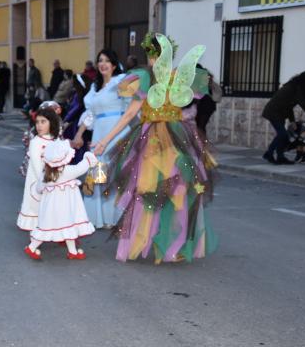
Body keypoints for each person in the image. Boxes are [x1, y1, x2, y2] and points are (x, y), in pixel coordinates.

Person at [93, 32, 218, 264]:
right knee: (178, 193)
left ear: (150, 54)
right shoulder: (178, 77)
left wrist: (105, 140)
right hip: (179, 138)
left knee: (146, 193)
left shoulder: (146, 77)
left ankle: (141, 245)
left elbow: (130, 113)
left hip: (153, 139)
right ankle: (173, 247)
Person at [72, 49, 129, 229]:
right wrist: (79, 134)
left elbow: (131, 110)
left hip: (118, 131)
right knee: (97, 173)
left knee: (115, 173)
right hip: (98, 133)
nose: (103, 64)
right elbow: (90, 114)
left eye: (106, 61)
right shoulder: (94, 88)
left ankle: (115, 217)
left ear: (113, 65)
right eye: (100, 61)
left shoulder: (121, 82)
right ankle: (97, 216)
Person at [25, 139, 98, 260]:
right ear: (65, 157)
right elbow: (83, 166)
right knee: (67, 227)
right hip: (66, 210)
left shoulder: (46, 175)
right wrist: (90, 154)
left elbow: (38, 189)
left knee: (50, 228)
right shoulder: (68, 171)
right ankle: (31, 247)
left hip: (50, 211)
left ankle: (72, 252)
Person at [17, 107, 61, 231]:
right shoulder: (36, 142)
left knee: (51, 208)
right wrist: (45, 181)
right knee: (36, 207)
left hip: (53, 180)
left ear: (51, 123)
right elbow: (37, 166)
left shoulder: (55, 140)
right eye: (37, 122)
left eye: (43, 122)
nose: (39, 125)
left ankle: (54, 231)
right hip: (39, 181)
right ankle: (36, 236)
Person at [262, 71, 305, 165]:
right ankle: (270, 154)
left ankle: (278, 156)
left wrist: (292, 121)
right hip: (273, 112)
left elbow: (289, 107)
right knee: (283, 135)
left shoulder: (295, 87)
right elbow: (304, 106)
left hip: (279, 113)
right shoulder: (295, 88)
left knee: (282, 135)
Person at [62, 73, 93, 164]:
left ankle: (78, 161)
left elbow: (74, 109)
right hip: (85, 122)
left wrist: (66, 119)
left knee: (77, 143)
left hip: (77, 123)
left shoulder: (78, 96)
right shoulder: (87, 94)